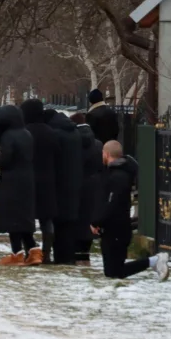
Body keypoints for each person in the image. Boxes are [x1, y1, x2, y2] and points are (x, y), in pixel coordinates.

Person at [94, 141, 169, 281]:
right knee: (112, 272)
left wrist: (97, 221)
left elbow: (112, 203)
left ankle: (155, 260)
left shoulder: (118, 176)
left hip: (116, 228)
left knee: (115, 271)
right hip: (113, 227)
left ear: (107, 154)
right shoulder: (115, 173)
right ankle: (154, 261)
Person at [0, 105, 37, 266]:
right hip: (27, 179)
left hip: (11, 181)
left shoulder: (8, 136)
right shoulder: (27, 134)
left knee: (12, 217)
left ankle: (17, 253)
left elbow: (6, 160)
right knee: (24, 217)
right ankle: (34, 251)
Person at [21, 99, 60, 264]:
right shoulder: (51, 132)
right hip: (48, 181)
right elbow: (58, 156)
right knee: (46, 219)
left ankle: (31, 251)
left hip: (27, 181)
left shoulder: (25, 133)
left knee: (25, 219)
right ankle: (47, 252)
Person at [45, 108, 83, 265]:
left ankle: (61, 257)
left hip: (60, 184)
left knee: (59, 224)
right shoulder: (73, 132)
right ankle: (68, 256)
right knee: (69, 223)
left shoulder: (56, 134)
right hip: (74, 182)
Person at [71, 113, 104, 266]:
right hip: (94, 186)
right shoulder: (98, 144)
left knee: (76, 218)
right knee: (89, 218)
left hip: (75, 184)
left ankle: (76, 253)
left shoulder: (73, 142)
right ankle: (85, 253)